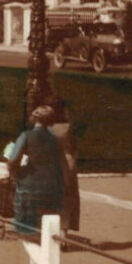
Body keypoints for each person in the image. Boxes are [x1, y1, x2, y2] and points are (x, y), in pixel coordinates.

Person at [8, 105, 66, 264]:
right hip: (51, 190)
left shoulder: (26, 136)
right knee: (40, 234)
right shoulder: (56, 140)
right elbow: (61, 165)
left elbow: (12, 159)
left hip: (29, 189)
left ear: (34, 118)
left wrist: (15, 171)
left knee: (24, 233)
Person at [49, 97, 82, 240]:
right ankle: (63, 234)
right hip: (66, 169)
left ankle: (50, 232)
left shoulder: (47, 128)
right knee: (67, 202)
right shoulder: (68, 128)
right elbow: (71, 152)